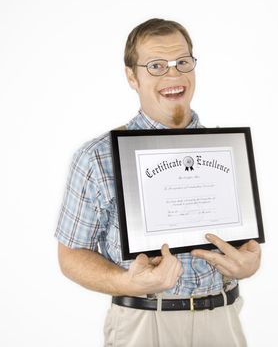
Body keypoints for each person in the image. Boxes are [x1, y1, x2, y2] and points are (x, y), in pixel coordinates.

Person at [55, 18, 261, 347]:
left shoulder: (225, 152)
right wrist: (125, 281)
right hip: (145, 325)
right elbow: (71, 254)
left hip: (223, 321)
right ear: (131, 76)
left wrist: (250, 263)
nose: (173, 75)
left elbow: (243, 244)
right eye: (156, 66)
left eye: (183, 62)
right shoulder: (96, 157)